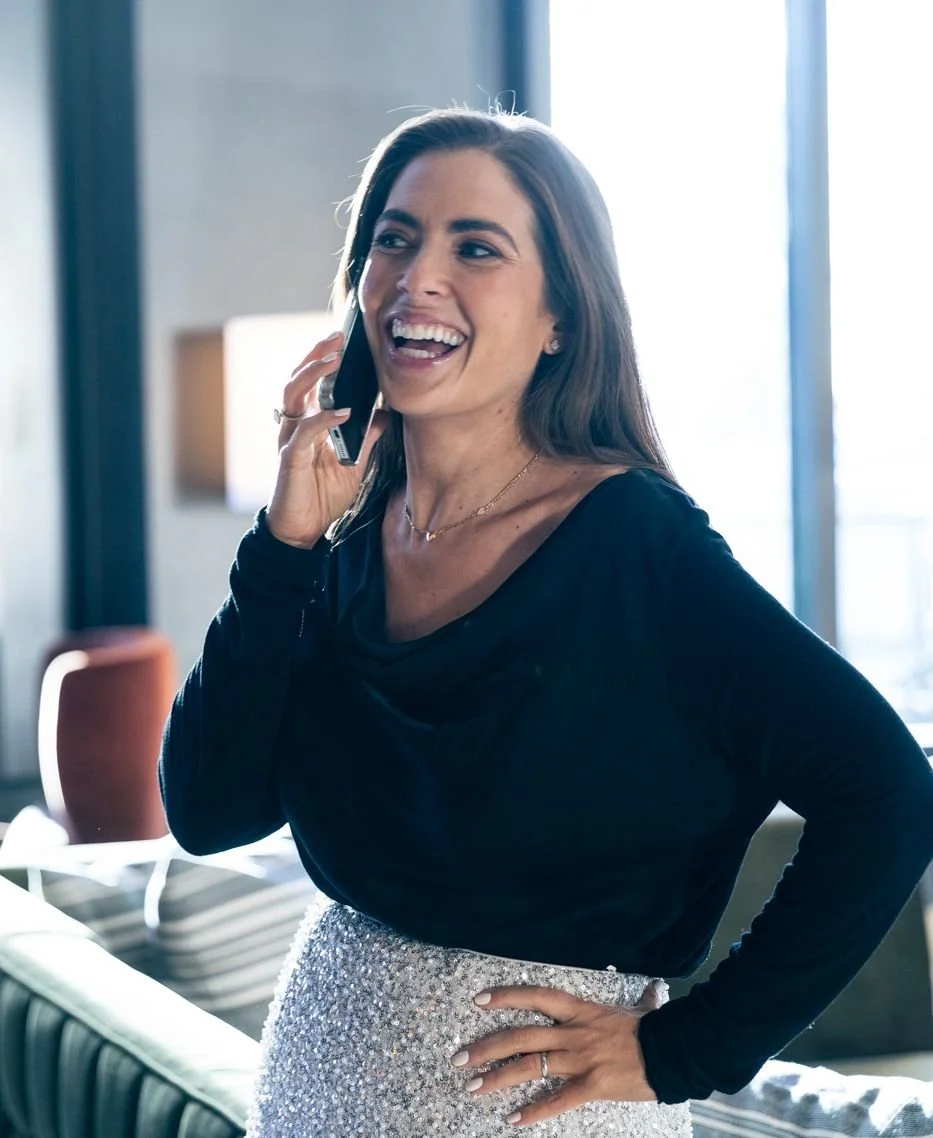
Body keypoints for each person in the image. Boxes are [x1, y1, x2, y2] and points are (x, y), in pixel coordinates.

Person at [159, 108, 933, 1137]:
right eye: (395, 238)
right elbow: (208, 810)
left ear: (559, 317)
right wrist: (283, 545)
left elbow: (886, 791)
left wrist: (690, 1047)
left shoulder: (636, 548)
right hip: (315, 1094)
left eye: (475, 247)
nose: (417, 275)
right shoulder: (342, 541)